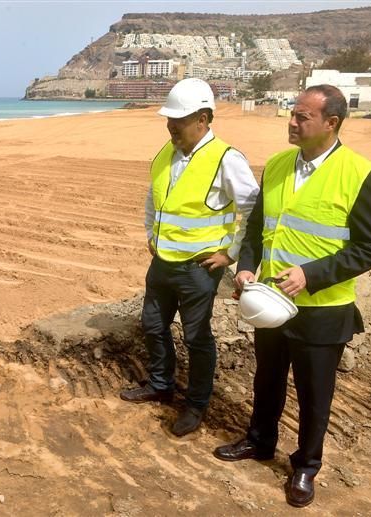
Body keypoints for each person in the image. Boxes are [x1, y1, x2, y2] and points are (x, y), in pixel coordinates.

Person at [213, 85, 371, 508]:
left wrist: (311, 275)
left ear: (332, 123)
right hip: (269, 301)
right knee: (266, 379)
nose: (292, 123)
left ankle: (306, 465)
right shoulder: (275, 166)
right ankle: (259, 441)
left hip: (322, 310)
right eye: (292, 114)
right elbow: (257, 229)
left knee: (314, 393)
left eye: (302, 117)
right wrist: (246, 267)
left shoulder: (361, 175)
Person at [119, 78, 259, 436]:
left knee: (197, 337)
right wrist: (152, 233)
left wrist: (230, 252)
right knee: (152, 325)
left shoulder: (226, 158)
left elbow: (252, 208)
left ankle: (195, 405)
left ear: (203, 118)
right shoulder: (166, 152)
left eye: (178, 120)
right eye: (169, 119)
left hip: (199, 267)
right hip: (163, 261)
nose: (171, 126)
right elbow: (154, 198)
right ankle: (161, 385)